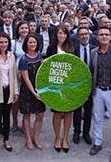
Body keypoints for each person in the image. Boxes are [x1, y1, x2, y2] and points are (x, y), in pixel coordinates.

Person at [47, 24, 74, 153]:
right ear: (56, 35)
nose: (62, 35)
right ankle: (57, 137)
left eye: (64, 33)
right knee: (57, 112)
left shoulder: (72, 48)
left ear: (67, 35)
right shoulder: (51, 48)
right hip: (55, 86)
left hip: (69, 86)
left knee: (68, 112)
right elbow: (48, 67)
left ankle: (65, 139)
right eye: (60, 33)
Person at [19, 33, 46, 150]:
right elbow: (26, 79)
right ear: (26, 44)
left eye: (34, 42)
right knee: (27, 115)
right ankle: (29, 139)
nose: (32, 44)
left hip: (40, 90)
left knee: (40, 115)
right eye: (30, 42)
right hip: (27, 91)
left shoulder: (40, 57)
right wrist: (34, 93)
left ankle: (36, 137)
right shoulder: (23, 59)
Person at [89, 27, 111, 156]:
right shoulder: (93, 52)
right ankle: (97, 143)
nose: (104, 36)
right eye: (101, 34)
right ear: (97, 37)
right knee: (97, 118)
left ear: (110, 37)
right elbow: (91, 71)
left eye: (106, 34)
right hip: (98, 90)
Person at [72, 27, 95, 145]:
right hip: (77, 86)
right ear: (78, 36)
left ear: (89, 35)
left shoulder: (94, 50)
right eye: (81, 34)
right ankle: (76, 132)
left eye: (86, 34)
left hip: (90, 86)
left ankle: (86, 133)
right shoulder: (73, 50)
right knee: (76, 110)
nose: (84, 36)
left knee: (88, 110)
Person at [11, 21, 29, 131]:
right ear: (18, 30)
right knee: (16, 99)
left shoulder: (31, 41)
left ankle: (24, 121)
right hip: (16, 74)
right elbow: (11, 58)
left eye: (26, 28)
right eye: (22, 28)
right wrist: (15, 71)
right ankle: (14, 120)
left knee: (26, 99)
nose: (24, 30)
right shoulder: (14, 43)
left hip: (28, 73)